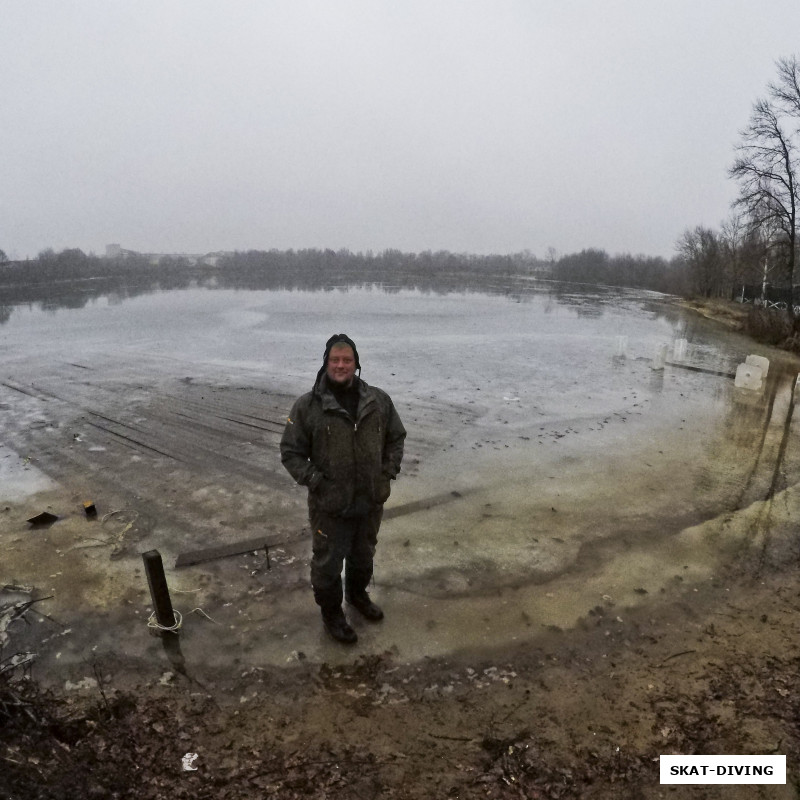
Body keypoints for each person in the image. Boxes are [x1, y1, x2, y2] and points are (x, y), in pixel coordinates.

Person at [280, 334, 406, 644]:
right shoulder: (307, 406)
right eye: (334, 360)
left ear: (356, 364)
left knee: (364, 555)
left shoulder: (378, 400)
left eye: (346, 360)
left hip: (370, 500)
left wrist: (386, 473)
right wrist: (317, 482)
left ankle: (357, 596)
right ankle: (332, 614)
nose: (340, 365)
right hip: (330, 505)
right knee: (328, 563)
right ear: (325, 364)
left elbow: (396, 437)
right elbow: (291, 452)